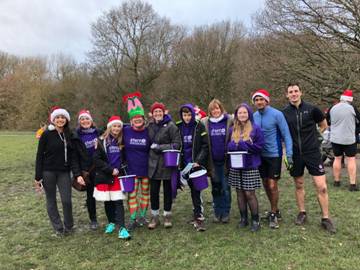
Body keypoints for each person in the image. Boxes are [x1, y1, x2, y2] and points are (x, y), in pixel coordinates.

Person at [282, 82, 336, 233]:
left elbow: (324, 124)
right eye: (290, 92)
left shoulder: (312, 109)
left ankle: (326, 218)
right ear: (287, 95)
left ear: (301, 92)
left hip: (312, 153)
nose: (293, 94)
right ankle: (302, 212)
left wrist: (317, 139)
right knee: (299, 184)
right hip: (295, 154)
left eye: (296, 91)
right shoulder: (284, 112)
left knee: (322, 186)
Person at [252, 89, 293, 229]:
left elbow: (286, 134)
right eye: (256, 100)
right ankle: (274, 209)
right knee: (265, 182)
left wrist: (289, 154)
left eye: (261, 99)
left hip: (274, 154)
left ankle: (274, 213)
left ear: (267, 100)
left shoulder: (277, 114)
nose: (259, 102)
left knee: (272, 184)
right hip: (260, 155)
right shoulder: (254, 116)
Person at [34, 107, 74, 236]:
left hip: (64, 172)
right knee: (51, 200)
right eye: (57, 117)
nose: (60, 120)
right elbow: (39, 155)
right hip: (48, 172)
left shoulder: (69, 134)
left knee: (66, 200)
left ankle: (69, 226)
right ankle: (58, 228)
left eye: (63, 117)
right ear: (53, 119)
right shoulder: (46, 134)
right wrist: (37, 176)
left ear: (66, 119)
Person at [227, 103, 264, 232]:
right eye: (239, 113)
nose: (242, 115)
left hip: (250, 164)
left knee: (249, 193)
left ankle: (255, 220)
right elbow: (228, 145)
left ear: (249, 114)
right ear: (236, 115)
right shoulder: (232, 129)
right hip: (236, 165)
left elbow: (260, 146)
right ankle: (243, 218)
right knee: (239, 193)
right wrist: (232, 147)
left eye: (244, 112)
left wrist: (245, 146)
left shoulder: (255, 128)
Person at [93, 116, 131, 240]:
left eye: (119, 126)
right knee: (107, 200)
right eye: (114, 126)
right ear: (109, 127)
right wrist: (110, 170)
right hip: (105, 175)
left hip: (118, 176)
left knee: (118, 201)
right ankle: (111, 222)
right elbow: (96, 159)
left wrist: (120, 169)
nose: (116, 128)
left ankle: (122, 228)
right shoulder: (100, 141)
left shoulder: (122, 141)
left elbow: (124, 158)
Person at [147, 102, 181, 229]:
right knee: (154, 191)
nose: (158, 114)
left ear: (164, 112)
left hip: (167, 162)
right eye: (155, 112)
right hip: (152, 163)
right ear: (152, 114)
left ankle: (167, 215)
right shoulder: (149, 126)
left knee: (167, 191)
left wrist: (159, 147)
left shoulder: (171, 126)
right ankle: (155, 217)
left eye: (160, 111)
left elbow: (177, 144)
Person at [176, 104, 209, 231]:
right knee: (190, 189)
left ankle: (199, 216)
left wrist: (198, 161)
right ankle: (196, 211)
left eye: (189, 114)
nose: (187, 117)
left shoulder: (199, 126)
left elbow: (205, 146)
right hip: (183, 165)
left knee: (196, 190)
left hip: (195, 164)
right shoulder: (178, 126)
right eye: (184, 115)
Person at [122, 92, 151, 230]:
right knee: (132, 195)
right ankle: (133, 219)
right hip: (131, 170)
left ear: (143, 119)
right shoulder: (125, 130)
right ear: (131, 120)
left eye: (139, 118)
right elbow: (110, 132)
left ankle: (143, 216)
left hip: (146, 169)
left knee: (145, 193)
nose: (137, 120)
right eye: (134, 118)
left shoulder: (149, 131)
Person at [202, 99, 233, 223]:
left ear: (221, 108)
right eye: (213, 109)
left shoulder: (229, 121)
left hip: (225, 161)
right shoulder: (206, 123)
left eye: (217, 108)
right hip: (212, 162)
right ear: (210, 111)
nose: (215, 111)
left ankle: (225, 212)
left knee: (226, 187)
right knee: (216, 187)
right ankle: (217, 211)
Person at [71, 109, 101, 230]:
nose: (85, 121)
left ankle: (112, 217)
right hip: (87, 171)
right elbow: (74, 158)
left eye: (87, 118)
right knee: (90, 196)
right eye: (82, 119)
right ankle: (93, 219)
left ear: (91, 120)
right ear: (79, 122)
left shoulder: (99, 132)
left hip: (100, 168)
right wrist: (77, 174)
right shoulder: (75, 136)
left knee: (108, 193)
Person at [328, 89, 360, 191]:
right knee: (351, 159)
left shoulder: (333, 107)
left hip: (335, 138)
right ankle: (352, 184)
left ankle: (337, 181)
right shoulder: (352, 108)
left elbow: (327, 120)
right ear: (350, 99)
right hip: (349, 138)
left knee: (337, 158)